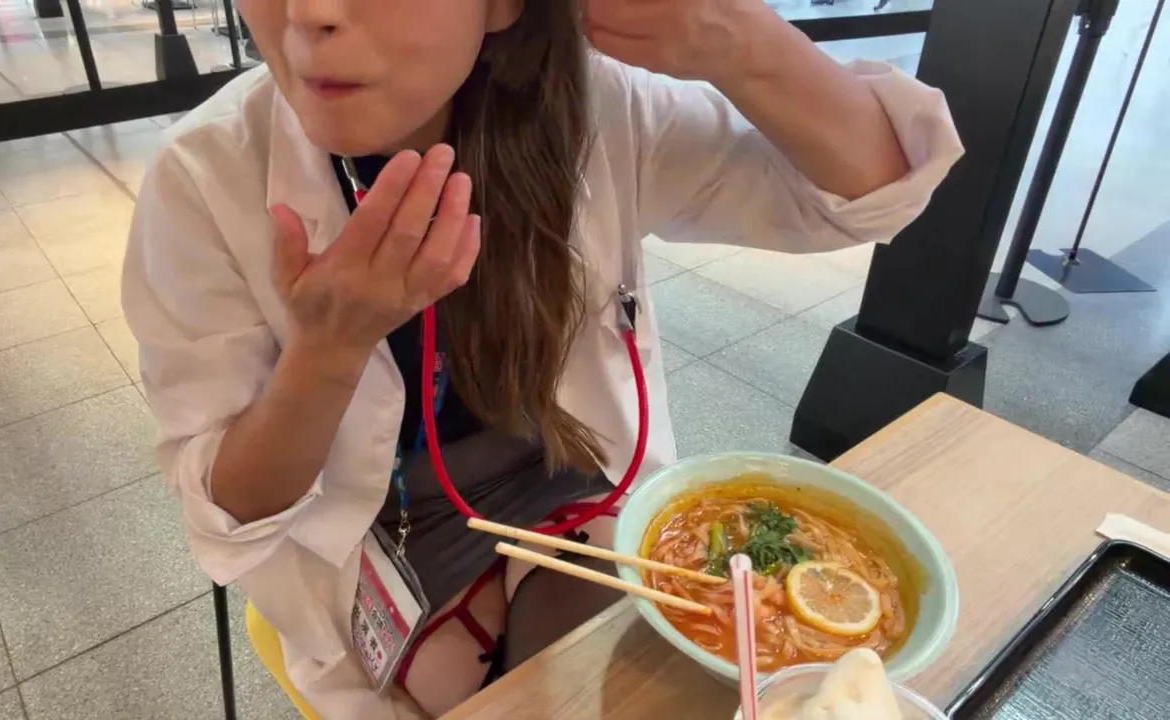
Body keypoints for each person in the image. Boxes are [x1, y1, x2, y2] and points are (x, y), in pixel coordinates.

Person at [121, 1, 962, 718]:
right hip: (376, 534)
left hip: (569, 475)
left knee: (676, 678)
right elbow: (229, 507)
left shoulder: (591, 107)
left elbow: (871, 191)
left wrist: (735, 37)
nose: (311, 14)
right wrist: (327, 351)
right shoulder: (206, 176)